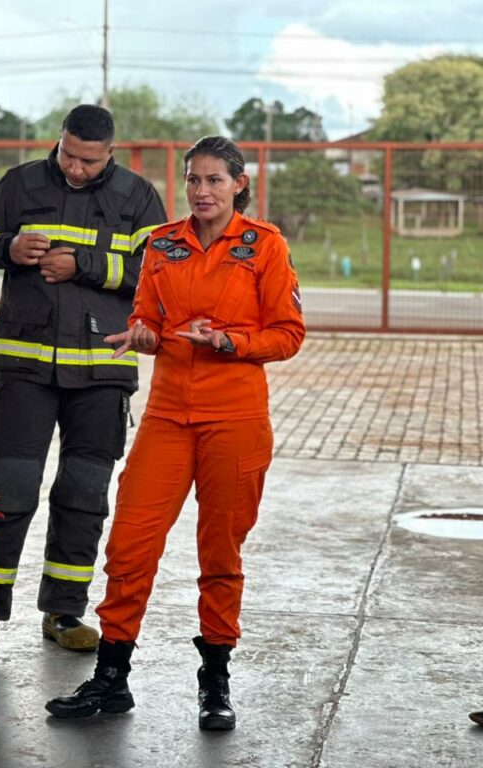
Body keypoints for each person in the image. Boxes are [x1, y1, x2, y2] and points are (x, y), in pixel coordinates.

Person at [46, 135, 305, 727]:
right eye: (193, 180)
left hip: (234, 420)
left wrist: (228, 342)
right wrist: (141, 334)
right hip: (167, 416)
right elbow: (147, 316)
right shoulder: (163, 243)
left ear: (240, 183)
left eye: (215, 180)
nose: (202, 191)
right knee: (130, 543)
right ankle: (112, 679)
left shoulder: (264, 247)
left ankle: (215, 680)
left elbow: (288, 334)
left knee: (220, 553)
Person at [0, 104, 167, 651]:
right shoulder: (19, 183)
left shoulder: (140, 197)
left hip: (102, 371)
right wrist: (6, 248)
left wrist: (86, 266)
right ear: (60, 141)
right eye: (69, 155)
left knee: (83, 494)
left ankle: (64, 613)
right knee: (11, 490)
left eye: (88, 161)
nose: (75, 168)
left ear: (110, 154)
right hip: (23, 368)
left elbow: (157, 278)